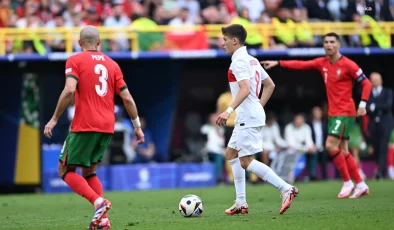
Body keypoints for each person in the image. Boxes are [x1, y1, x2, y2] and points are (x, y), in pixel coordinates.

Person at [43, 26, 145, 230]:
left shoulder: (75, 60)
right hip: (107, 125)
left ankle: (99, 202)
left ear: (80, 43)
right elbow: (126, 97)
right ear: (99, 43)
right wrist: (137, 127)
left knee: (64, 169)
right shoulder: (113, 64)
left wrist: (54, 118)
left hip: (84, 124)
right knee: (89, 170)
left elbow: (69, 90)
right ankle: (104, 220)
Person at [262, 32, 372, 199]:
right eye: (326, 42)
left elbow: (366, 83)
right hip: (334, 113)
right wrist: (278, 63)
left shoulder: (349, 65)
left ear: (338, 45)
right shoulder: (322, 63)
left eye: (332, 42)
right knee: (343, 149)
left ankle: (348, 182)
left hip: (345, 111)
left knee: (330, 145)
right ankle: (361, 184)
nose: (328, 45)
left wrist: (362, 104)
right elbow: (300, 64)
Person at [217, 24, 298, 216]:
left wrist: (228, 111)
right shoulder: (252, 60)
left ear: (234, 40)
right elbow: (270, 85)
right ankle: (241, 202)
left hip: (247, 117)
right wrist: (258, 107)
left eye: (224, 39)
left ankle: (286, 188)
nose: (222, 43)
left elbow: (245, 89)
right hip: (250, 115)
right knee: (231, 154)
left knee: (246, 161)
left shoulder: (239, 62)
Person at [366, 72, 394, 179]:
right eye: (373, 79)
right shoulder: (368, 93)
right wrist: (372, 107)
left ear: (381, 80)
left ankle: (380, 172)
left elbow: (388, 105)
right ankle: (378, 169)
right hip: (373, 124)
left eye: (377, 79)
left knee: (383, 146)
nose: (375, 81)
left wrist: (374, 106)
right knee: (376, 147)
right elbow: (366, 107)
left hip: (386, 124)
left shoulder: (388, 92)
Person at [284, 114, 317, 179]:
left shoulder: (306, 127)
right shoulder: (289, 127)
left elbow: (309, 140)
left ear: (303, 121)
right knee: (291, 152)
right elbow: (291, 144)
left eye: (300, 120)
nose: (298, 122)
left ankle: (312, 175)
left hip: (304, 150)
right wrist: (306, 149)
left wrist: (311, 147)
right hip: (293, 150)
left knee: (314, 152)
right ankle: (291, 176)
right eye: (297, 120)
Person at [308, 106, 329, 180]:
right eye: (315, 113)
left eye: (318, 113)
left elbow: (327, 136)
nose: (317, 114)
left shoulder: (325, 124)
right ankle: (312, 176)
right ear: (313, 114)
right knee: (313, 156)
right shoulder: (309, 125)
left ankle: (325, 177)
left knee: (325, 156)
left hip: (323, 147)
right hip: (313, 147)